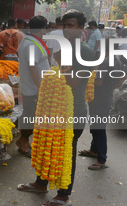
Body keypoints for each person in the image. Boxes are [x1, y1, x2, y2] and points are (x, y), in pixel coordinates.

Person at [17, 10, 94, 206]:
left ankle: (63, 194)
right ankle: (41, 183)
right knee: (48, 148)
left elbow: (74, 82)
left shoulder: (83, 50)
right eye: (65, 25)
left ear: (81, 28)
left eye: (72, 25)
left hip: (73, 111)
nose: (67, 29)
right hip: (56, 109)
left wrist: (60, 62)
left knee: (66, 152)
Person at [79, 37, 124, 170]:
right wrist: (111, 88)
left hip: (99, 99)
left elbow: (98, 82)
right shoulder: (117, 61)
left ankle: (101, 159)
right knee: (97, 125)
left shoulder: (104, 62)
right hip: (106, 97)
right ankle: (94, 150)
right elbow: (122, 79)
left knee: (98, 128)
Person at [16, 15, 49, 157]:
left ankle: (25, 141)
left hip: (32, 87)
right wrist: (40, 87)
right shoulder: (31, 44)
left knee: (31, 115)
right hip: (33, 88)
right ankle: (23, 141)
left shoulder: (29, 41)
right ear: (42, 28)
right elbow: (32, 66)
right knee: (31, 116)